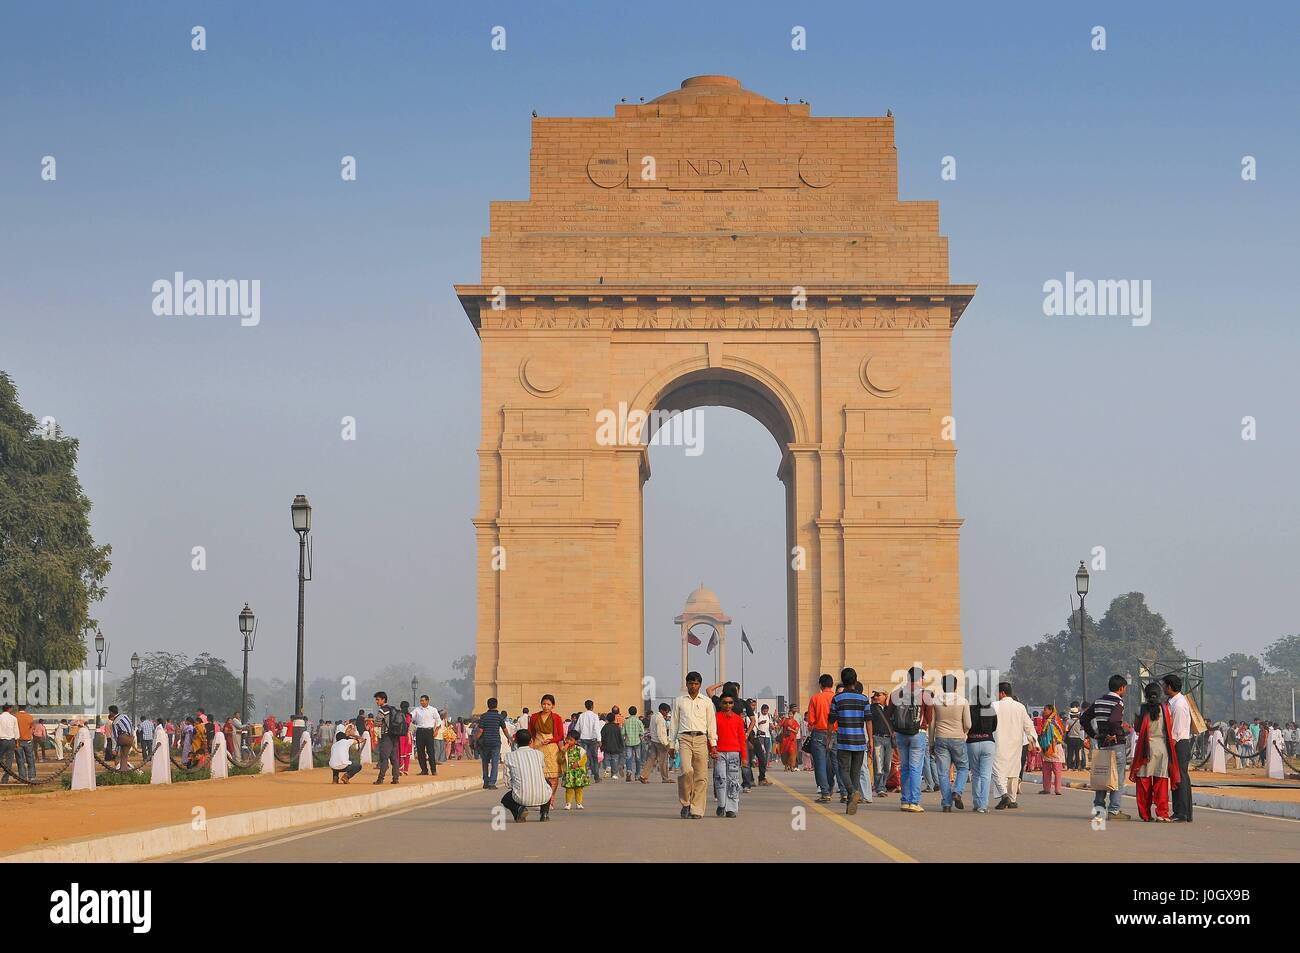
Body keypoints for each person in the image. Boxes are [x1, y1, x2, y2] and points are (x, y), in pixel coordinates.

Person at [1083, 675, 1131, 821]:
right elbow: (1115, 720)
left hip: (1102, 744)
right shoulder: (1118, 703)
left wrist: (1095, 734)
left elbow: (1084, 719)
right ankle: (1114, 810)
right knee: (1118, 778)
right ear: (1121, 688)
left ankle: (1099, 808)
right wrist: (1112, 733)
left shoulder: (1098, 701)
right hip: (1116, 744)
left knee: (1102, 776)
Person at [1129, 683, 1180, 821]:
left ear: (1146, 695)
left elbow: (1138, 729)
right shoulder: (1165, 709)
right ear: (1159, 694)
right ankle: (1162, 813)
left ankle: (1145, 815)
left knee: (1144, 782)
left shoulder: (1142, 709)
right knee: (1161, 782)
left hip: (1146, 749)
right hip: (1162, 748)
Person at [887, 667, 934, 812]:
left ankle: (905, 801)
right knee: (915, 768)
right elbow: (929, 718)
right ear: (921, 679)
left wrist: (893, 731)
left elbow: (888, 714)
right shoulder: (925, 694)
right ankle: (914, 801)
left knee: (905, 767)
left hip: (900, 734)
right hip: (917, 734)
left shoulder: (896, 693)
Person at [671, 671, 717, 820]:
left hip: (701, 739)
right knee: (686, 771)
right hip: (684, 738)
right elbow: (674, 724)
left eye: (696, 683)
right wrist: (671, 744)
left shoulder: (706, 702)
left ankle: (696, 808)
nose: (693, 686)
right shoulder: (679, 701)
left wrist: (713, 743)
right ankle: (685, 803)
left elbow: (711, 724)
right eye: (691, 683)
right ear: (687, 684)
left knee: (701, 776)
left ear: (700, 685)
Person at [991, 683, 1038, 810]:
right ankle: (1012, 799)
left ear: (1002, 693)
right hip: (1016, 744)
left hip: (999, 742)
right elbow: (1029, 725)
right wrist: (1034, 741)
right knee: (1013, 772)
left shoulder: (994, 706)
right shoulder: (1020, 707)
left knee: (997, 771)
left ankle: (1004, 795)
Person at [930, 674, 971, 812]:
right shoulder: (963, 701)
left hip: (940, 737)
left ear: (942, 685)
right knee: (963, 768)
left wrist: (931, 743)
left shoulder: (935, 701)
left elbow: (932, 724)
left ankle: (946, 803)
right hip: (957, 737)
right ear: (955, 685)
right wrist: (963, 732)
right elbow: (968, 723)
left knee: (943, 772)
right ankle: (957, 791)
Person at [1161, 674, 1193, 823]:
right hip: (1178, 742)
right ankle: (1183, 811)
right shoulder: (1172, 702)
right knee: (1179, 777)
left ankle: (1181, 812)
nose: (1162, 688)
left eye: (1164, 685)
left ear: (1169, 686)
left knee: (1179, 777)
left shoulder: (1179, 704)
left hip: (1178, 743)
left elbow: (1177, 730)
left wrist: (1169, 746)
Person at [501, 729, 551, 822]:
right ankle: (544, 813)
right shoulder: (539, 754)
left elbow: (507, 780)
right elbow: (542, 767)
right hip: (543, 796)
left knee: (505, 799)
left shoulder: (509, 756)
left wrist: (514, 786)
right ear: (531, 741)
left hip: (521, 797)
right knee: (547, 782)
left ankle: (519, 810)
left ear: (515, 741)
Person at [965, 686, 999, 813]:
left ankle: (976, 802)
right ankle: (983, 805)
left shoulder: (970, 709)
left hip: (973, 742)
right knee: (986, 775)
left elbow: (967, 725)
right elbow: (994, 726)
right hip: (988, 742)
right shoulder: (990, 709)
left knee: (975, 774)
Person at [713, 692, 747, 817]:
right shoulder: (715, 717)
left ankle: (731, 808)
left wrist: (744, 757)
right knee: (720, 779)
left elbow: (742, 739)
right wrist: (712, 750)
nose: (728, 705)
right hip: (719, 752)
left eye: (730, 703)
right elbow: (711, 736)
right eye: (725, 702)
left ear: (733, 704)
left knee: (733, 781)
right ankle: (721, 805)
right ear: (721, 704)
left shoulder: (738, 719)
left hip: (734, 753)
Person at [529, 695, 565, 810]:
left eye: (548, 704)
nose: (546, 706)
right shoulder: (534, 717)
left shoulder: (557, 718)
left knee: (553, 777)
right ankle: (540, 801)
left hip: (552, 749)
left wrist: (551, 740)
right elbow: (531, 733)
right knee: (539, 777)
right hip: (538, 748)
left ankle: (551, 801)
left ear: (553, 706)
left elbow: (560, 735)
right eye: (544, 704)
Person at [807, 674, 836, 802]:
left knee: (820, 764)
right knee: (835, 763)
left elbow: (811, 721)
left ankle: (825, 792)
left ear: (820, 685)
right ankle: (844, 792)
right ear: (832, 684)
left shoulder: (815, 698)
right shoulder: (837, 698)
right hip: (835, 733)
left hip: (819, 733)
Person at [475, 698, 507, 789]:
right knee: (495, 762)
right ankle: (492, 783)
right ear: (496, 705)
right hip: (496, 742)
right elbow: (505, 730)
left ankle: (486, 781)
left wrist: (475, 739)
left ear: (487, 705)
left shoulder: (483, 716)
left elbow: (480, 730)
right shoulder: (499, 717)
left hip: (485, 742)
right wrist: (510, 738)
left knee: (485, 762)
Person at [372, 691, 403, 785]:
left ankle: (380, 779)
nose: (376, 702)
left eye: (378, 699)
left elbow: (377, 722)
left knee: (384, 758)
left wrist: (379, 723)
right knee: (394, 759)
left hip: (386, 736)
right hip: (395, 736)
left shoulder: (382, 710)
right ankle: (395, 778)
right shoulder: (393, 709)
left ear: (383, 699)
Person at [1038, 703, 1067, 795]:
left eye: (1045, 709)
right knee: (1048, 769)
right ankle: (1048, 788)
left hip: (1055, 747)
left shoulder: (1052, 721)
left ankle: (1056, 789)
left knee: (1056, 769)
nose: (1044, 711)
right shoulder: (1048, 720)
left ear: (1051, 710)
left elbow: (1059, 733)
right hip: (1048, 747)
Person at [869, 691, 894, 795]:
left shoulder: (889, 709)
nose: (876, 697)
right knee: (878, 764)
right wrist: (870, 739)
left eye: (879, 695)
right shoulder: (872, 708)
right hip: (877, 738)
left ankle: (883, 784)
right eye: (875, 695)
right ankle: (880, 788)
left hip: (888, 739)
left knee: (887, 765)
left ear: (885, 696)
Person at [640, 703, 673, 783]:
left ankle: (643, 776)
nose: (666, 713)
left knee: (651, 759)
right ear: (662, 710)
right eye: (666, 712)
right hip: (660, 742)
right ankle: (665, 778)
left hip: (654, 740)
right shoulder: (660, 719)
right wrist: (665, 744)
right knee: (663, 761)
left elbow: (651, 729)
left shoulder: (654, 716)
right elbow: (660, 733)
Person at [410, 695, 441, 775]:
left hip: (429, 732)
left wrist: (436, 730)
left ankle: (433, 770)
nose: (422, 702)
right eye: (421, 701)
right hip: (420, 731)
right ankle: (424, 770)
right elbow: (411, 716)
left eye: (423, 701)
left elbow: (438, 720)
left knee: (431, 752)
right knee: (420, 752)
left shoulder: (433, 710)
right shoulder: (417, 710)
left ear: (427, 701)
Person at [560, 729, 591, 810]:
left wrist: (578, 764)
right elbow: (559, 760)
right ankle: (568, 803)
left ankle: (579, 803)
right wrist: (563, 753)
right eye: (567, 739)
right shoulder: (564, 750)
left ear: (576, 741)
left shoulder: (580, 750)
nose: (568, 741)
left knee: (579, 788)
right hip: (569, 772)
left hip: (578, 772)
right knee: (569, 789)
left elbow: (584, 759)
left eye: (571, 740)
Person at [621, 705, 645, 781]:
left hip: (628, 742)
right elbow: (642, 732)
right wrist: (640, 736)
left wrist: (625, 737)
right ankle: (637, 775)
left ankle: (629, 771)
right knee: (638, 758)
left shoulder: (626, 721)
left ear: (629, 712)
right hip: (637, 742)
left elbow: (622, 733)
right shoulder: (639, 721)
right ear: (636, 712)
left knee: (628, 758)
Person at [107, 705, 134, 772]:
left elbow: (114, 736)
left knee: (119, 755)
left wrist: (114, 749)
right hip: (130, 738)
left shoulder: (115, 722)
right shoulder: (125, 716)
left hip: (123, 738)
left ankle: (121, 770)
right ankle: (124, 769)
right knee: (125, 756)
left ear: (111, 712)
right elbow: (131, 726)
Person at [600, 711, 625, 780]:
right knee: (615, 760)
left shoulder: (605, 727)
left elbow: (602, 736)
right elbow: (620, 737)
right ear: (614, 719)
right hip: (616, 746)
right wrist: (621, 746)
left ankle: (608, 766)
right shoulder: (617, 727)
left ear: (607, 719)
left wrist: (602, 745)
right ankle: (614, 774)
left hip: (606, 746)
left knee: (606, 759)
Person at [0, 704, 19, 783]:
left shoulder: (0, 717)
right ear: (10, 709)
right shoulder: (13, 718)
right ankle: (5, 779)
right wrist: (17, 742)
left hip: (2, 740)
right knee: (9, 761)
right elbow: (16, 732)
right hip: (11, 741)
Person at [778, 708, 801, 772]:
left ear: (793, 715)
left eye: (791, 714)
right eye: (788, 714)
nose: (789, 715)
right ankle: (786, 766)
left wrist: (791, 729)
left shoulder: (795, 722)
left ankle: (792, 766)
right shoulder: (785, 720)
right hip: (785, 739)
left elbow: (796, 731)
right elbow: (779, 726)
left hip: (792, 740)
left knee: (792, 753)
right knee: (785, 753)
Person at [1065, 704, 1085, 770]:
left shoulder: (1068, 721)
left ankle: (1069, 767)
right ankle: (1077, 767)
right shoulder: (1080, 721)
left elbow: (1066, 729)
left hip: (1070, 739)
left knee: (1070, 753)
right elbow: (1082, 729)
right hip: (1078, 739)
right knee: (1077, 753)